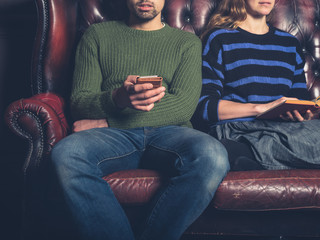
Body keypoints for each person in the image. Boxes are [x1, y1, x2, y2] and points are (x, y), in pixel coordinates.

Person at [50, 0, 230, 239]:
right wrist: (118, 98)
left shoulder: (186, 42)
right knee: (66, 154)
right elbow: (80, 102)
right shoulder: (97, 35)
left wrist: (110, 120)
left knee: (213, 156)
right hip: (113, 139)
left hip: (169, 133)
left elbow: (183, 107)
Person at [194, 0, 320, 171]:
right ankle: (242, 151)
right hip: (238, 130)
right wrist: (261, 108)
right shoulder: (218, 38)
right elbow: (204, 107)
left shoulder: (290, 44)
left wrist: (303, 114)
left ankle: (246, 156)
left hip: (284, 131)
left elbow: (299, 99)